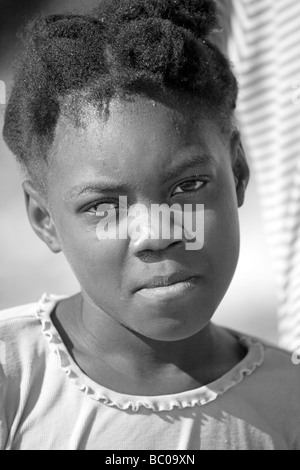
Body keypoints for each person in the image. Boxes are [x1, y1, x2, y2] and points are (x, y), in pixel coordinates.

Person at [0, 0, 299, 451]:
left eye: (188, 185)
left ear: (237, 172)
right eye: (104, 205)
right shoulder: (13, 376)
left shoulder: (289, 401)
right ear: (45, 220)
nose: (158, 233)